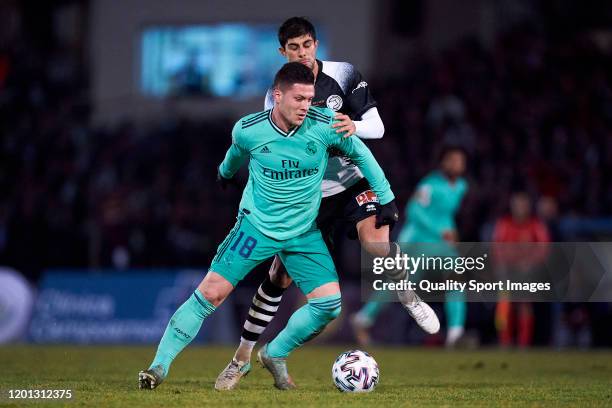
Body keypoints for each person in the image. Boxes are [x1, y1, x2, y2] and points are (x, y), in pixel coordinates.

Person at [139, 62, 400, 391]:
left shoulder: (326, 126)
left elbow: (364, 157)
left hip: (302, 233)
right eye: (299, 99)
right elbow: (235, 155)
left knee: (329, 305)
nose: (306, 106)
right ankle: (158, 367)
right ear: (277, 96)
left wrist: (387, 199)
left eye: (309, 99)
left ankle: (274, 352)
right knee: (211, 293)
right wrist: (224, 172)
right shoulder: (249, 129)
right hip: (256, 228)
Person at [215, 16, 438, 391]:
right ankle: (242, 356)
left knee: (377, 246)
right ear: (282, 52)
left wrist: (353, 125)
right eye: (293, 48)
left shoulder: (344, 74)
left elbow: (378, 127)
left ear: (316, 45)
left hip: (352, 184)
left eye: (307, 45)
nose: (301, 53)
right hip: (308, 197)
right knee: (277, 277)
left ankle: (407, 293)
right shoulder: (278, 94)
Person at [352, 146, 469, 346]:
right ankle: (364, 318)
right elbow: (414, 211)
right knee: (401, 285)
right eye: (452, 160)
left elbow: (445, 215)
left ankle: (456, 334)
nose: (457, 164)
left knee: (456, 280)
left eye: (460, 161)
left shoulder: (461, 187)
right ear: (443, 163)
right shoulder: (430, 185)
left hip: (440, 244)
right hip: (417, 240)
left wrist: (451, 232)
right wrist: (440, 231)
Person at [493, 191, 550, 347]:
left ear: (528, 207)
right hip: (507, 271)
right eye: (516, 205)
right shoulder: (504, 224)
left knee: (525, 303)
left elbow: (543, 248)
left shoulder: (535, 225)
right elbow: (497, 247)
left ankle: (524, 343)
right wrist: (502, 265)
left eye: (523, 205)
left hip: (527, 272)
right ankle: (504, 341)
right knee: (504, 303)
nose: (519, 208)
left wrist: (531, 263)